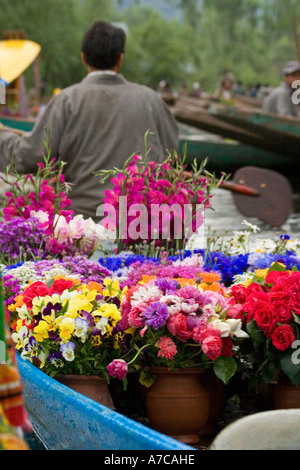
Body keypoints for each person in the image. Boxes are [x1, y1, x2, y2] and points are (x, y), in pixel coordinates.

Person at [0, 21, 179, 219]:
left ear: (83, 58)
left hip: (81, 226)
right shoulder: (152, 101)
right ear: (120, 59)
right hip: (140, 223)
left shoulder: (66, 101)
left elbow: (29, 157)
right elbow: (171, 152)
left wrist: (2, 136)